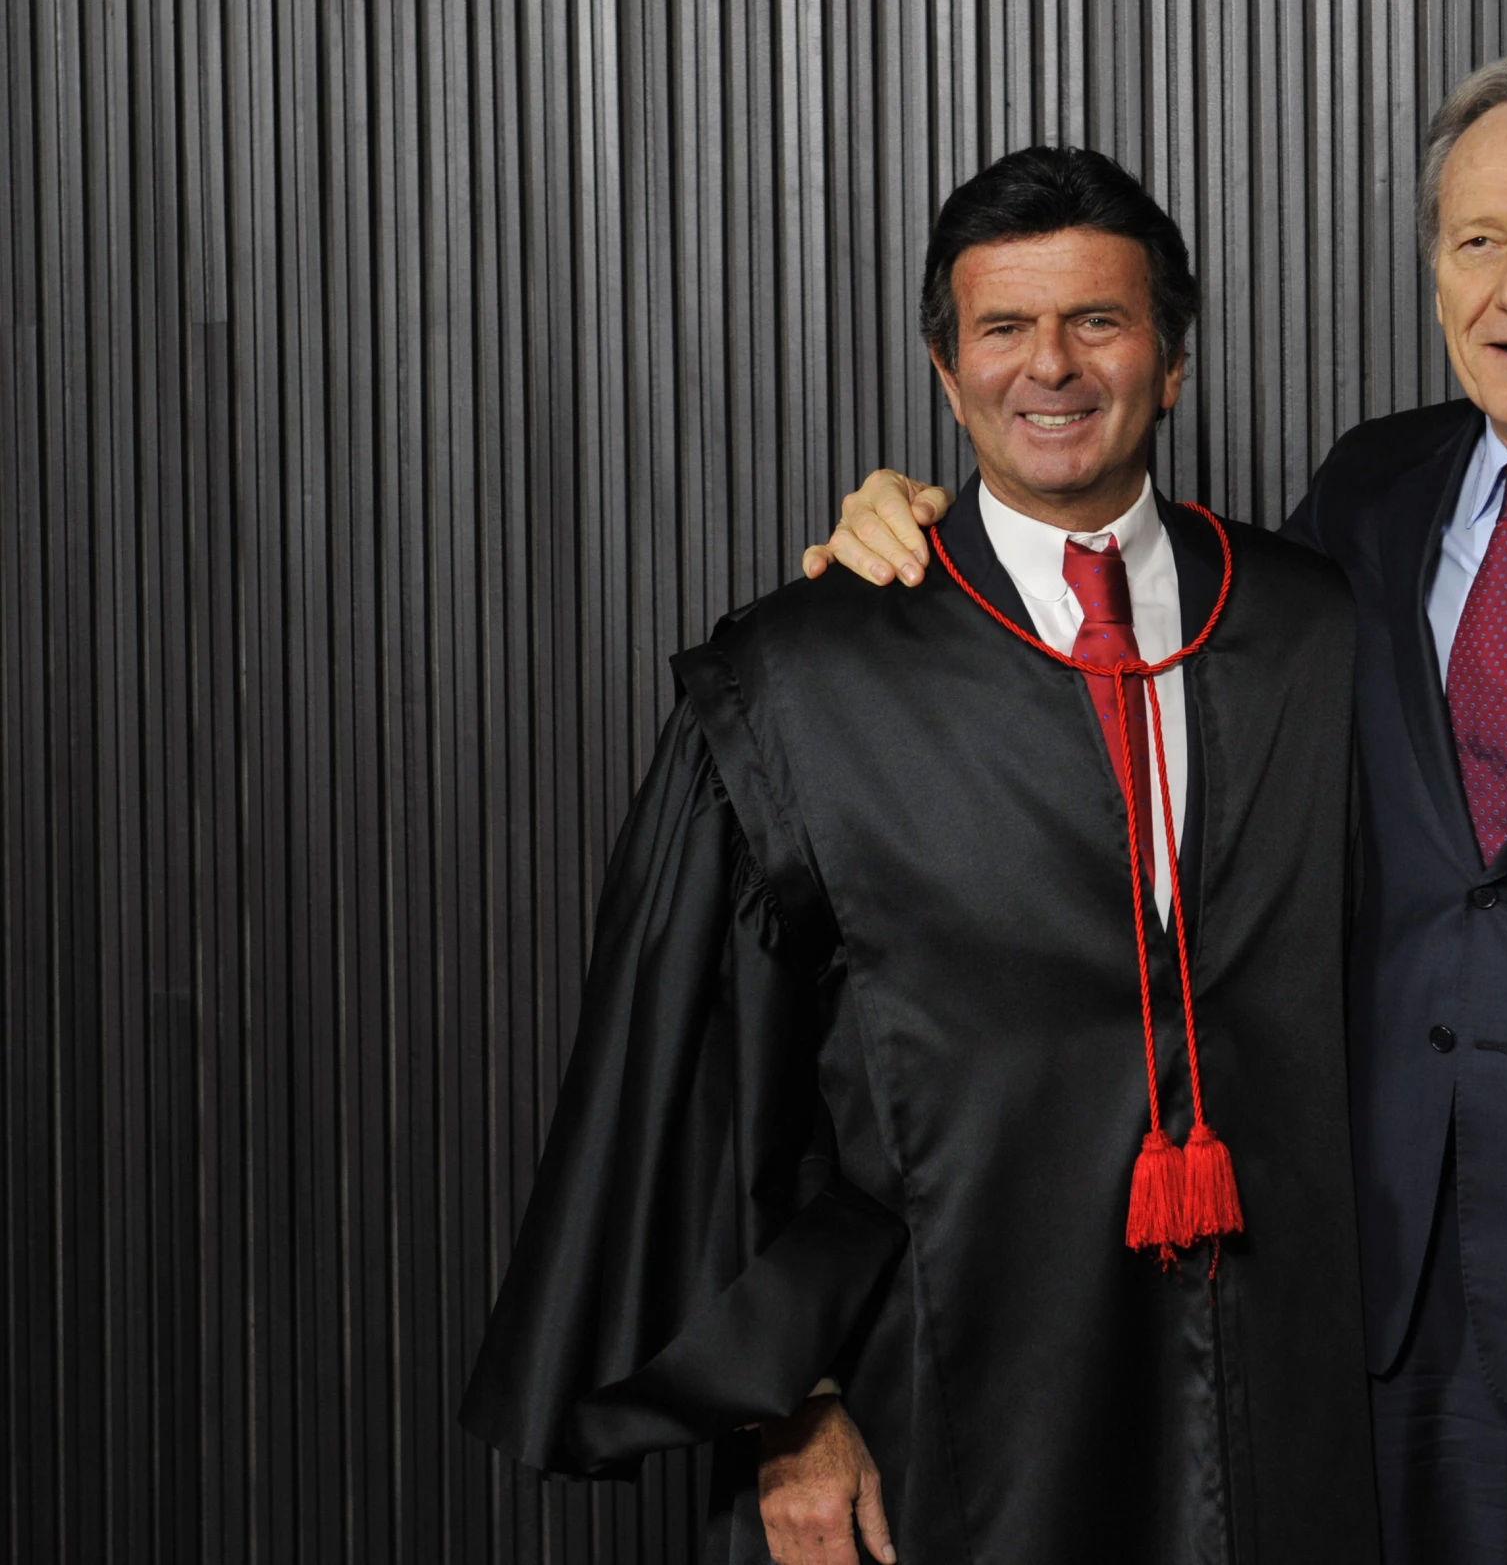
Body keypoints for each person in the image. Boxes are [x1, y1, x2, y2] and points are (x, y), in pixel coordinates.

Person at [808, 53, 1507, 1564]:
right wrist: (932, 530)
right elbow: (1143, 656)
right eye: (1476, 242)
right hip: (1382, 1308)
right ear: (1433, 283)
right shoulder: (1367, 497)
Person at [461, 145, 1380, 1565]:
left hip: (1293, 1394)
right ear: (945, 375)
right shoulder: (801, 681)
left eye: (1099, 321)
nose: (1051, 367)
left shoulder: (1317, 627)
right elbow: (704, 1087)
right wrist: (790, 1408)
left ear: (1174, 361)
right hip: (944, 1401)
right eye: (1002, 328)